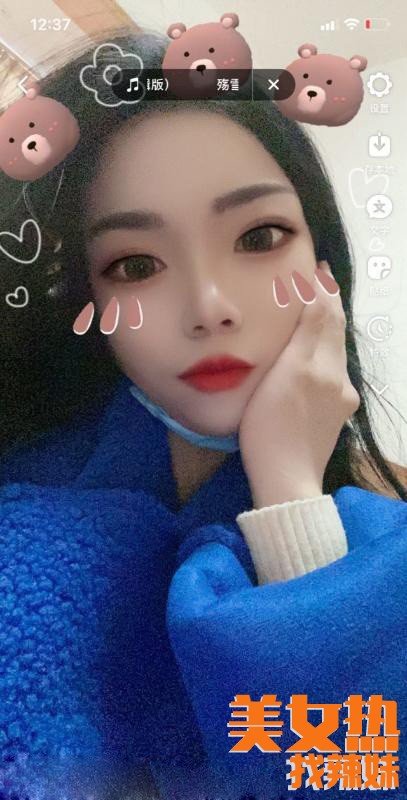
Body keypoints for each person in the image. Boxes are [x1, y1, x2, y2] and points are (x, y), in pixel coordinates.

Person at [0, 27, 406, 800]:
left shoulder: (382, 545)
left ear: (323, 265)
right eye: (135, 264)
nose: (209, 306)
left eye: (259, 236)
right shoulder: (26, 512)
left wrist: (289, 494)